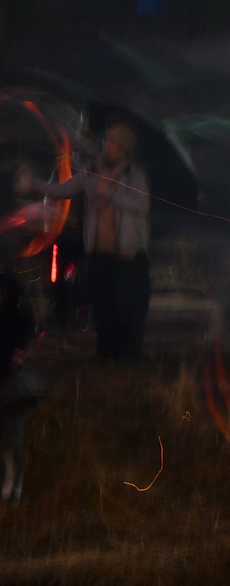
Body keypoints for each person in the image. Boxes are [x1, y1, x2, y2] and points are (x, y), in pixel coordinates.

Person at [16, 121, 150, 362]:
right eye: (106, 141)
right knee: (104, 309)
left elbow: (142, 206)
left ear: (123, 149)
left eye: (112, 143)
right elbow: (63, 189)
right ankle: (107, 358)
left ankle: (129, 359)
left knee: (126, 310)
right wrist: (34, 183)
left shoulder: (133, 175)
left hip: (127, 256)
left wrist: (109, 193)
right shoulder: (91, 171)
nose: (106, 146)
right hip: (99, 253)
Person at [0, 265, 37, 503]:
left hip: (9, 378)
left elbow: (26, 322)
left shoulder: (9, 289)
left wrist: (19, 352)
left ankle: (13, 489)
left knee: (11, 438)